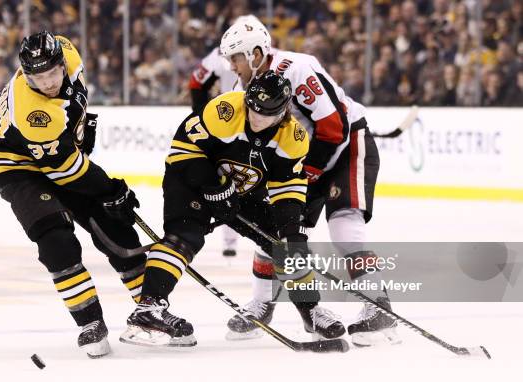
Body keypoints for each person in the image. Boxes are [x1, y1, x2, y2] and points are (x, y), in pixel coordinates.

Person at [219, 18, 400, 347]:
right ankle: (262, 303)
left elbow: (334, 126)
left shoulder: (297, 68)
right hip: (302, 161)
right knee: (275, 230)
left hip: (345, 147)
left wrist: (310, 171)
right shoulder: (239, 92)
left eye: (236, 57)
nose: (231, 65)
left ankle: (378, 304)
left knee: (344, 223)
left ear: (257, 53)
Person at [120, 70, 320, 347]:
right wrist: (213, 186)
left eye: (265, 114)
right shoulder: (225, 109)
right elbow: (182, 149)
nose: (256, 117)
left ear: (283, 112)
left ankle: (311, 310)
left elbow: (289, 191)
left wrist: (292, 233)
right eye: (253, 108)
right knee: (184, 237)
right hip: (189, 180)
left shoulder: (294, 138)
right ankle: (148, 309)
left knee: (282, 242)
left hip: (238, 194)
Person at [0, 31, 145, 358]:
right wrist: (110, 188)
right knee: (56, 238)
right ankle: (90, 323)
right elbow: (66, 172)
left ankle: (151, 309)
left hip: (56, 151)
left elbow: (75, 101)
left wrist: (79, 133)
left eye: (53, 73)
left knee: (115, 227)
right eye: (38, 78)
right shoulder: (33, 111)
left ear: (61, 62)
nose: (49, 83)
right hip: (17, 166)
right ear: (26, 76)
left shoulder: (68, 48)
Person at [187, 15, 262, 258]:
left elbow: (195, 82)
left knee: (229, 179)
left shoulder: (218, 55)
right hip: (257, 121)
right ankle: (273, 238)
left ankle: (230, 240)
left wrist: (201, 113)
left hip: (228, 121)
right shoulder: (262, 55)